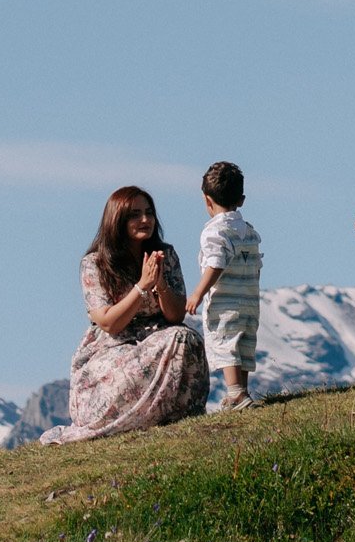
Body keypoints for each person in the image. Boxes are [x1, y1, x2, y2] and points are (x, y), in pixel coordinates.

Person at [40, 184, 208, 443]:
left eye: (149, 213)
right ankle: (125, 417)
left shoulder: (166, 255)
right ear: (117, 220)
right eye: (135, 214)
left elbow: (176, 316)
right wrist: (141, 286)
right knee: (172, 340)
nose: (145, 220)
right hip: (113, 347)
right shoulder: (95, 263)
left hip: (159, 337)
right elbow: (109, 323)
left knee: (184, 338)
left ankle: (170, 415)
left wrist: (160, 283)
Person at [186, 158, 262, 409]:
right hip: (249, 298)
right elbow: (256, 264)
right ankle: (241, 392)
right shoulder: (249, 231)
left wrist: (198, 292)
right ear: (241, 200)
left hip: (225, 300)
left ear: (207, 199)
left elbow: (216, 263)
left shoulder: (213, 231)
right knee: (244, 344)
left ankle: (236, 392)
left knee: (226, 342)